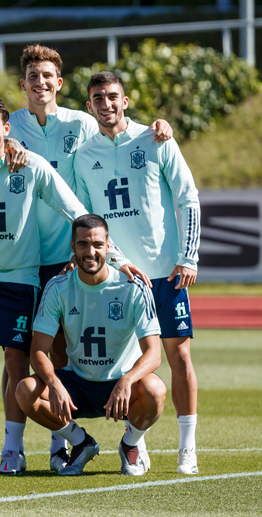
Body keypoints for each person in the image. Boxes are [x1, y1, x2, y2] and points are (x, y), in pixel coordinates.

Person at [0, 44, 172, 471]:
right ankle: (45, 445)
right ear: (23, 84)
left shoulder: (82, 122)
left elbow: (117, 136)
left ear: (59, 82)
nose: (41, 84)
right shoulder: (9, 128)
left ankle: (114, 440)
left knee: (69, 350)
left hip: (78, 251)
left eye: (48, 76)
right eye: (33, 77)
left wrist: (154, 128)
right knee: (27, 353)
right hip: (31, 257)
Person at [0, 95, 142, 475]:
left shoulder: (30, 165)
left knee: (16, 362)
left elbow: (76, 212)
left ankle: (12, 450)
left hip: (18, 278)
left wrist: (120, 258)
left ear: (6, 130)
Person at [73, 71, 202, 475]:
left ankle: (187, 446)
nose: (106, 104)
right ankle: (135, 439)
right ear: (89, 105)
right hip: (118, 278)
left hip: (165, 274)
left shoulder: (156, 138)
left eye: (113, 97)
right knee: (123, 363)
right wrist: (115, 258)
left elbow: (187, 197)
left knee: (178, 355)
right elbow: (84, 217)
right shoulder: (83, 154)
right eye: (98, 98)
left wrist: (189, 256)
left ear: (125, 101)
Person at [16, 214, 167, 476]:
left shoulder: (132, 287)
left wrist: (127, 380)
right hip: (78, 385)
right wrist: (54, 383)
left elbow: (154, 354)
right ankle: (80, 443)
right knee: (25, 389)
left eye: (97, 244)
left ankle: (130, 444)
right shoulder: (57, 287)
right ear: (73, 248)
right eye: (83, 244)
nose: (91, 252)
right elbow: (38, 350)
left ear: (109, 247)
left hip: (120, 386)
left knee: (155, 389)